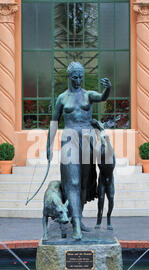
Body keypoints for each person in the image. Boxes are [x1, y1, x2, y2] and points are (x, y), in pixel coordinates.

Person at [46, 62, 111, 240]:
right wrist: (48, 146)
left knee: (84, 183)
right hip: (69, 139)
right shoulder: (62, 98)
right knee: (73, 181)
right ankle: (75, 224)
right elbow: (54, 122)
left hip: (87, 139)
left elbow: (102, 97)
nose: (78, 80)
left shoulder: (88, 95)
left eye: (81, 76)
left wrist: (108, 89)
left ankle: (78, 218)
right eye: (75, 77)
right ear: (69, 77)